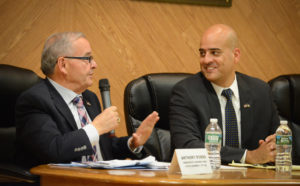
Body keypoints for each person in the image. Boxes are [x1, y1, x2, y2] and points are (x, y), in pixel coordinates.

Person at [15, 32, 159, 169]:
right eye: (87, 58)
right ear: (63, 64)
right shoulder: (36, 100)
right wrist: (95, 128)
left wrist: (132, 143)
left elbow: (105, 148)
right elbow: (52, 150)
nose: (94, 64)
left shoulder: (89, 98)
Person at [169, 24, 280, 164]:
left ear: (236, 55)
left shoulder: (261, 91)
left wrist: (275, 147)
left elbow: (280, 140)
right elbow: (188, 147)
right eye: (202, 53)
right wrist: (248, 156)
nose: (206, 60)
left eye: (215, 53)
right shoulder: (186, 92)